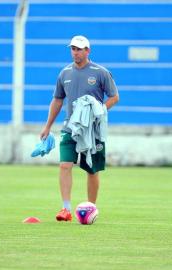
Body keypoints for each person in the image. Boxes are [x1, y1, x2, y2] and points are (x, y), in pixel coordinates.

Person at [39, 35, 119, 221]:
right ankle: (65, 209)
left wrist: (98, 111)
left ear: (88, 51)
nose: (75, 52)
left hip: (93, 130)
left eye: (79, 49)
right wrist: (47, 126)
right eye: (73, 48)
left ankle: (91, 208)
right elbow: (57, 100)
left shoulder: (101, 72)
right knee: (65, 165)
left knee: (92, 170)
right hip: (70, 128)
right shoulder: (64, 73)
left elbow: (114, 97)